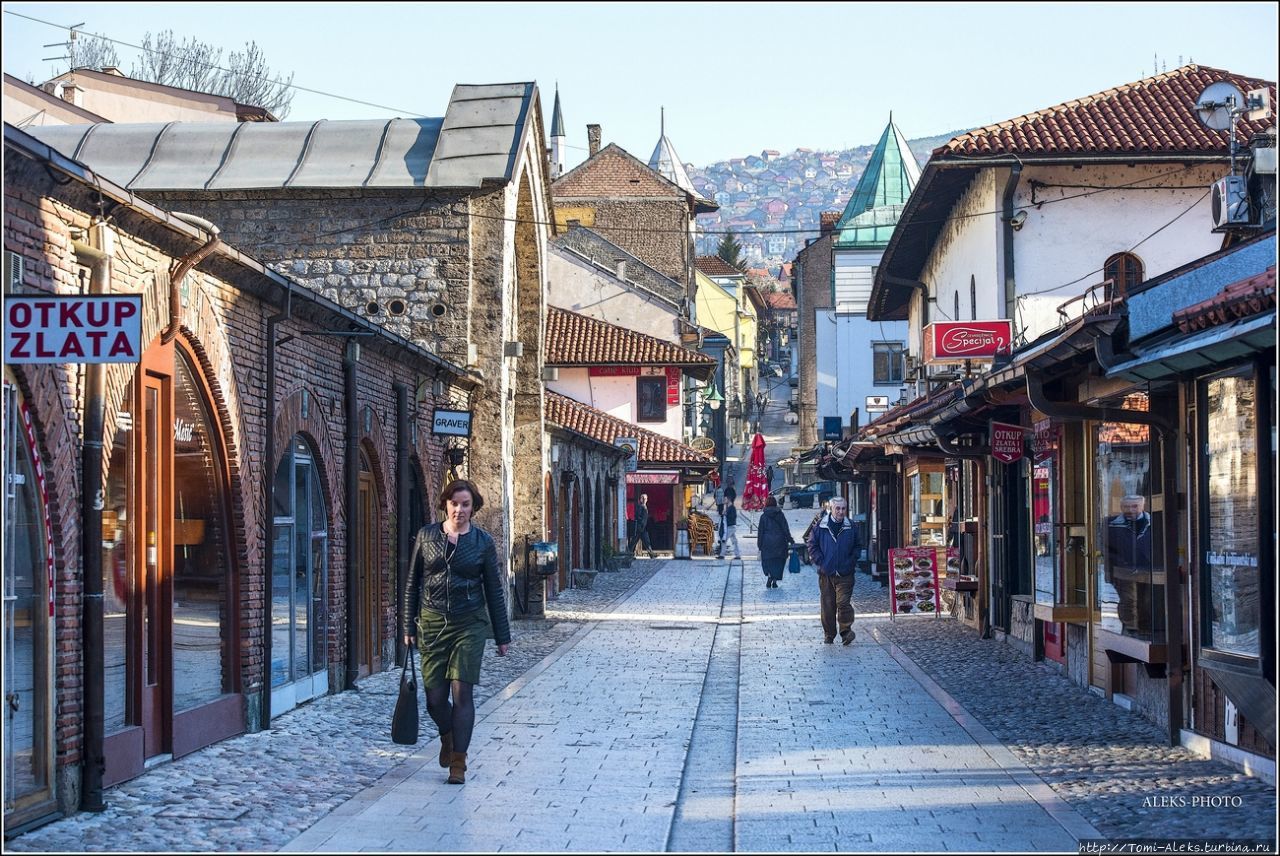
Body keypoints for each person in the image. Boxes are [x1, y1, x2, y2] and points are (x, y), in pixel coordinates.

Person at [401, 479, 510, 785]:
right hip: (433, 622)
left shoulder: (482, 542)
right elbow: (412, 583)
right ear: (445, 504)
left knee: (462, 692)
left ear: (473, 508)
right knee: (435, 699)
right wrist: (408, 625)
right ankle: (448, 736)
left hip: (469, 623)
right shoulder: (426, 536)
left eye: (465, 504)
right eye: (455, 503)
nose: (459, 510)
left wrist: (502, 635)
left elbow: (493, 589)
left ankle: (458, 763)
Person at [806, 496, 860, 645]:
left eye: (843, 508)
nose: (840, 512)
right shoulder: (820, 526)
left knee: (843, 602)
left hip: (845, 572)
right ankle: (829, 634)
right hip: (826, 573)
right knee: (828, 605)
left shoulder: (852, 527)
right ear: (831, 509)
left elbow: (857, 546)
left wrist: (851, 561)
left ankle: (846, 631)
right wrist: (821, 562)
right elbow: (811, 544)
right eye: (838, 508)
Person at [1105, 494, 1154, 635]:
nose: (1130, 510)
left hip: (1148, 569)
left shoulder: (1153, 522)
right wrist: (1119, 563)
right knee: (1129, 600)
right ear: (1121, 507)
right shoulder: (1111, 524)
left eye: (1134, 506)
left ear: (1142, 506)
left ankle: (1144, 628)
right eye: (1126, 506)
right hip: (1123, 571)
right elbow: (1105, 548)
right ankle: (1131, 629)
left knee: (1146, 601)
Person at [756, 495, 794, 588]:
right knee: (778, 561)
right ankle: (774, 580)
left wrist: (759, 544)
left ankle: (769, 576)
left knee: (768, 561)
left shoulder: (763, 517)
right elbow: (785, 528)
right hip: (780, 542)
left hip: (767, 542)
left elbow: (760, 531)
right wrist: (790, 539)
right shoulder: (780, 515)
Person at [628, 493, 656, 558]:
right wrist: (641, 523)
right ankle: (629, 554)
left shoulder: (644, 506)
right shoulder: (640, 506)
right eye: (643, 498)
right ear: (640, 499)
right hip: (639, 528)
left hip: (643, 528)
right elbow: (638, 516)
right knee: (634, 542)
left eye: (645, 498)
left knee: (646, 541)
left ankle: (651, 554)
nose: (644, 500)